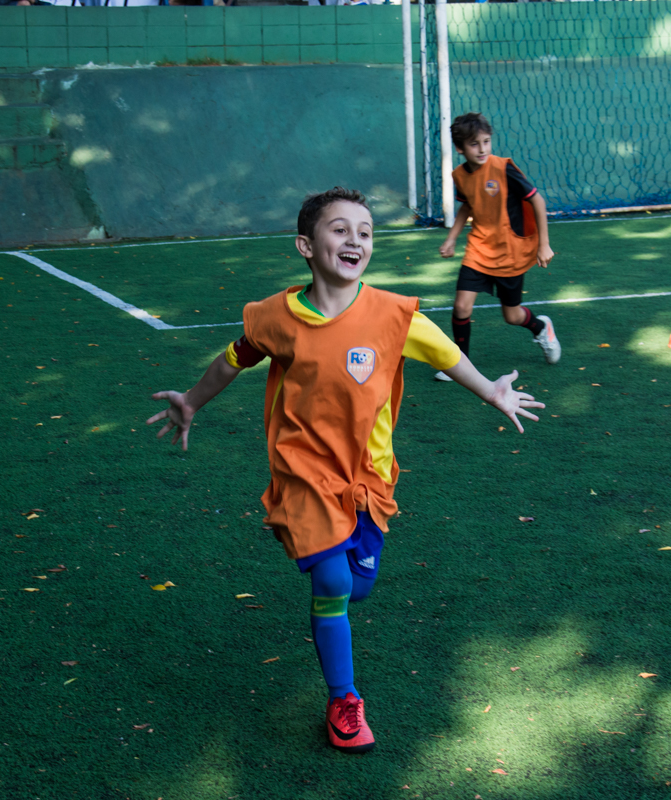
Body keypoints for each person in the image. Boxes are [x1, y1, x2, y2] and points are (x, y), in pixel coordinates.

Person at [146, 187, 544, 754]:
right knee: (331, 582)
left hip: (369, 480)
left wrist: (492, 393)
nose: (355, 239)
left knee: (356, 587)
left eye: (365, 231)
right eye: (340, 229)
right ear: (306, 246)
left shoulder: (393, 315)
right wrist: (192, 400)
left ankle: (338, 601)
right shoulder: (277, 318)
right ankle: (344, 700)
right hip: (304, 475)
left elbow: (446, 355)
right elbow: (235, 357)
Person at [436, 112, 560, 381]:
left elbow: (537, 200)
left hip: (510, 252)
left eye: (486, 141)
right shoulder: (459, 175)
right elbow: (467, 204)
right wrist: (452, 238)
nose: (482, 149)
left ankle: (541, 327)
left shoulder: (503, 168)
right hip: (478, 249)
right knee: (461, 307)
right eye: (474, 144)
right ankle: (461, 363)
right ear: (460, 148)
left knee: (512, 316)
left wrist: (544, 244)